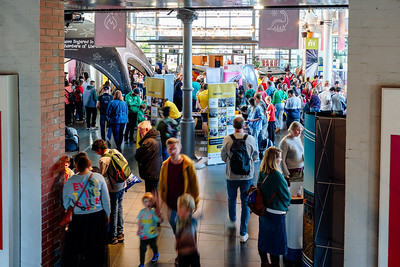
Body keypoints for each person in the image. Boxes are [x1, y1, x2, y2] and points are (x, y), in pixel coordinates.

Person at [62, 155, 110, 267]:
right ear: (89, 165)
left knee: (79, 244)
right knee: (96, 244)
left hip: (78, 218)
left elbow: (66, 202)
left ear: (77, 167)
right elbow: (105, 199)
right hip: (97, 216)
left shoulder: (70, 181)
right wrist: (107, 214)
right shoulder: (98, 178)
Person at [221, 116, 258, 243]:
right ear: (244, 125)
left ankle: (232, 220)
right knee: (245, 202)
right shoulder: (251, 139)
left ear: (233, 125)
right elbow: (255, 156)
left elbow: (223, 157)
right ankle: (243, 233)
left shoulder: (227, 139)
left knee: (231, 198)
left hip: (231, 175)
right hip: (247, 176)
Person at [257, 147, 291, 267]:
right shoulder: (277, 175)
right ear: (274, 160)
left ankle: (264, 262)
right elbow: (286, 196)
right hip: (276, 213)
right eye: (279, 157)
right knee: (275, 243)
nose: (281, 160)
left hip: (263, 211)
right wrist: (286, 206)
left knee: (264, 238)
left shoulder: (262, 171)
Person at [158, 138, 199, 234]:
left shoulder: (188, 164)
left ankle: (184, 242)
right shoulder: (165, 165)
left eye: (174, 149)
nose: (172, 152)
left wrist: (195, 202)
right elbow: (161, 184)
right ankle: (180, 239)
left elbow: (194, 185)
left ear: (179, 148)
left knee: (184, 227)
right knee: (173, 222)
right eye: (169, 149)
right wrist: (160, 203)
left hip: (184, 204)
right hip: (171, 202)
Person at [91, 139, 128, 245]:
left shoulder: (104, 159)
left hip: (113, 188)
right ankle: (120, 233)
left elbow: (102, 177)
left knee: (113, 210)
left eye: (96, 152)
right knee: (120, 208)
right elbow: (126, 163)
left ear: (99, 150)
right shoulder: (115, 152)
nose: (97, 154)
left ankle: (113, 236)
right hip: (122, 185)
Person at [135, 120, 163, 193]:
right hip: (155, 170)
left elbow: (138, 155)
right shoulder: (156, 137)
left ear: (147, 129)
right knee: (154, 192)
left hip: (151, 172)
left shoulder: (149, 142)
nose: (140, 133)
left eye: (141, 131)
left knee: (151, 194)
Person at [176, 194, 201, 267]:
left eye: (181, 209)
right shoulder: (178, 219)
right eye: (179, 208)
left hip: (192, 252)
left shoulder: (192, 220)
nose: (179, 211)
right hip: (182, 254)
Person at [137, 192, 161, 267]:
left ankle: (156, 253)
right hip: (143, 235)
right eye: (145, 201)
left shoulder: (153, 212)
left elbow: (158, 220)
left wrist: (158, 216)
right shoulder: (141, 212)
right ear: (143, 203)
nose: (147, 203)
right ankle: (141, 263)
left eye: (149, 201)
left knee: (153, 246)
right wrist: (138, 229)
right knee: (142, 249)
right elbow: (139, 220)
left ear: (152, 202)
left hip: (152, 235)